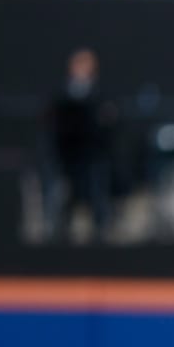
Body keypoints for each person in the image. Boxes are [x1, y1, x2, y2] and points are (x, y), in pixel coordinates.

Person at [44, 47, 116, 243]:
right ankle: (59, 233)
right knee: (64, 195)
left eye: (86, 65)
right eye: (78, 64)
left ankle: (101, 232)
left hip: (94, 155)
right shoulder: (61, 94)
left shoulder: (101, 94)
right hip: (67, 155)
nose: (82, 69)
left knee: (97, 194)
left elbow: (109, 119)